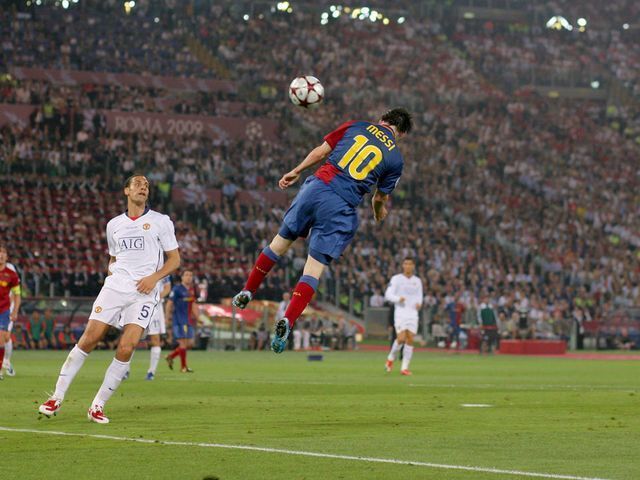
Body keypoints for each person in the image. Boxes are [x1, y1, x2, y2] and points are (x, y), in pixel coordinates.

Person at [232, 108, 412, 353]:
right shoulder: (395, 158)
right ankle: (289, 319)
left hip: (316, 186)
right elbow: (379, 198)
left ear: (382, 120)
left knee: (278, 244)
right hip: (341, 205)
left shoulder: (355, 125)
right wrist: (379, 212)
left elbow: (321, 151)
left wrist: (296, 170)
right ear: (400, 133)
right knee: (313, 269)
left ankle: (248, 290)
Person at [38, 174, 180, 424]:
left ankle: (98, 405)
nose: (143, 187)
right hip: (116, 287)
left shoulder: (161, 221)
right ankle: (56, 397)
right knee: (89, 338)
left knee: (127, 347)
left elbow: (175, 259)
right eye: (137, 184)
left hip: (145, 293)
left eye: (146, 185)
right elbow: (114, 259)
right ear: (126, 190)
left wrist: (154, 278)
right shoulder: (114, 224)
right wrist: (112, 273)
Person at [384, 258, 423, 375]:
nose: (408, 266)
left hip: (413, 313)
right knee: (401, 338)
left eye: (410, 264)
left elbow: (419, 295)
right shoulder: (396, 279)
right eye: (405, 263)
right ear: (402, 265)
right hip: (401, 312)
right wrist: (398, 299)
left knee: (410, 338)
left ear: (413, 266)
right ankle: (390, 358)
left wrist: (419, 303)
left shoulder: (417, 281)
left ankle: (404, 368)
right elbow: (388, 294)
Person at [165, 270, 198, 373]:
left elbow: (192, 305)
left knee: (190, 344)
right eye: (186, 275)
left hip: (188, 320)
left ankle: (170, 356)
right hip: (179, 320)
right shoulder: (177, 289)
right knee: (183, 344)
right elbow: (169, 303)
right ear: (182, 277)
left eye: (190, 275)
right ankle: (183, 367)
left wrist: (198, 318)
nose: (189, 277)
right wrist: (167, 318)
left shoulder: (191, 290)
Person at [144, 275, 171, 380]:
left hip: (155, 308)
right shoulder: (141, 265)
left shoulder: (163, 268)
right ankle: (125, 370)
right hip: (138, 305)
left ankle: (151, 372)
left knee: (155, 340)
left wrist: (156, 297)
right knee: (133, 339)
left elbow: (167, 288)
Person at [0, 246, 21, 380]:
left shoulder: (10, 272)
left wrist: (14, 310)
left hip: (4, 309)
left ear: (6, 256)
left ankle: (5, 362)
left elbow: (16, 293)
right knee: (4, 338)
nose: (1, 256)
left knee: (4, 337)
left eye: (3, 253)